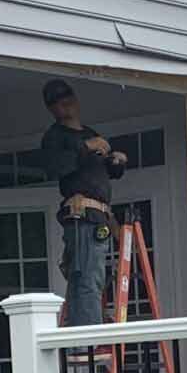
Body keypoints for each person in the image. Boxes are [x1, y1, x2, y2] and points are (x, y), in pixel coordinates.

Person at [37, 76, 128, 328]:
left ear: (75, 100)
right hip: (81, 214)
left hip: (98, 214)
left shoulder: (90, 133)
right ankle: (90, 338)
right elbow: (54, 167)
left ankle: (87, 327)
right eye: (57, 102)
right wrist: (86, 147)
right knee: (87, 277)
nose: (64, 105)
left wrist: (116, 161)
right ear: (51, 108)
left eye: (67, 99)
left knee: (92, 276)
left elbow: (107, 170)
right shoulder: (55, 137)